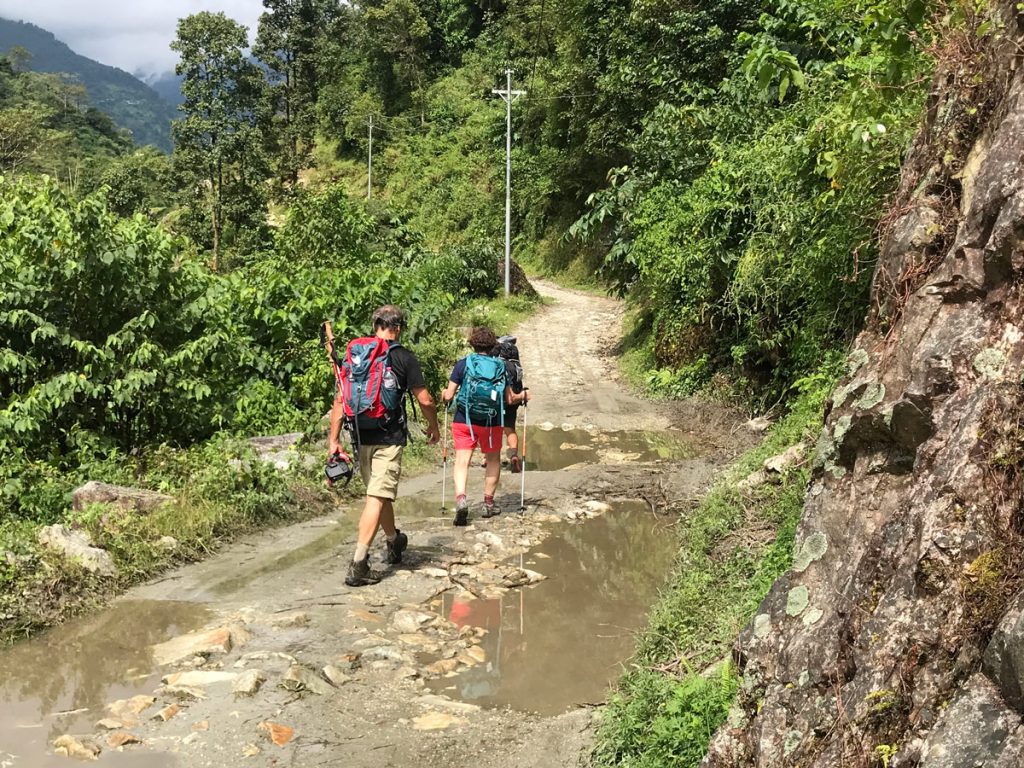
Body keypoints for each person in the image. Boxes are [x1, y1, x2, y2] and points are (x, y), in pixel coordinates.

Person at [329, 305, 440, 587]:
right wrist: (434, 426)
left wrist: (333, 441)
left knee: (378, 494)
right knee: (376, 497)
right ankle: (359, 563)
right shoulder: (402, 356)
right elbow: (425, 400)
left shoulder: (355, 357)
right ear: (398, 327)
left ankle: (393, 541)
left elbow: (340, 401)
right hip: (388, 438)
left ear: (375, 324)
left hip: (358, 435)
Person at [441, 326, 528, 525]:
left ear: (472, 343)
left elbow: (448, 395)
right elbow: (508, 399)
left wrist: (443, 394)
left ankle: (461, 499)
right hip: (492, 422)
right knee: (493, 460)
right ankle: (488, 504)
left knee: (462, 460)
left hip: (464, 420)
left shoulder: (463, 364)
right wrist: (523, 396)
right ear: (493, 346)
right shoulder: (500, 367)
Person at [494, 335, 525, 473]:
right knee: (510, 429)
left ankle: (487, 459)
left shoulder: (497, 362)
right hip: (513, 400)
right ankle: (513, 455)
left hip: (497, 400)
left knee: (494, 429)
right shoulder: (515, 363)